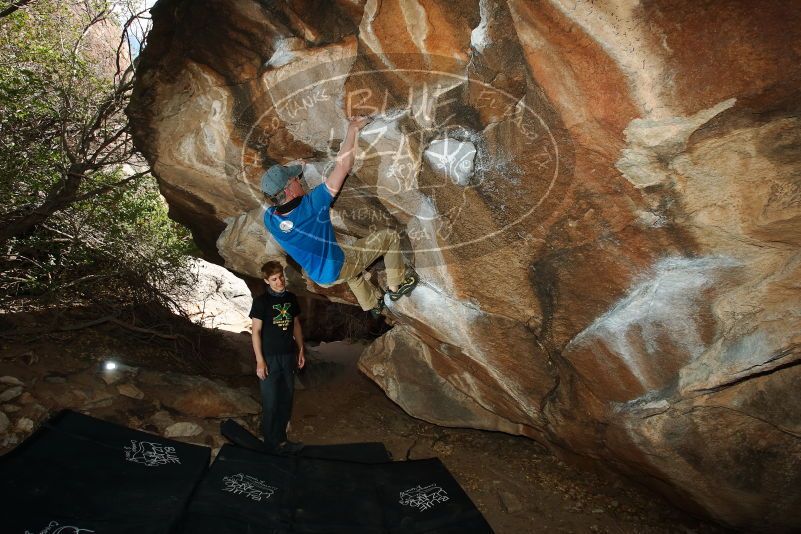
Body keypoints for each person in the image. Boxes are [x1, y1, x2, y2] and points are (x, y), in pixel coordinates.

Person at [260, 115, 418, 316]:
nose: (300, 181)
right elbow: (343, 166)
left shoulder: (271, 219)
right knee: (389, 237)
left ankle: (373, 303)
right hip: (338, 267)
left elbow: (283, 193)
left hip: (321, 277)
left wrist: (296, 168)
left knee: (351, 265)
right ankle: (398, 285)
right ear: (290, 189)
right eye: (296, 180)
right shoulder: (314, 204)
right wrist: (353, 129)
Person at [249, 261, 305, 453]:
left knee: (286, 399)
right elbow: (255, 331)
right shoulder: (261, 302)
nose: (279, 281)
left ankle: (281, 440)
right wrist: (260, 360)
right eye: (274, 279)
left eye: (281, 277)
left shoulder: (291, 298)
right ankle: (269, 444)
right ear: (267, 281)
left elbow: (296, 325)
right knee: (270, 401)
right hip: (269, 358)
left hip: (288, 355)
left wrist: (301, 349)